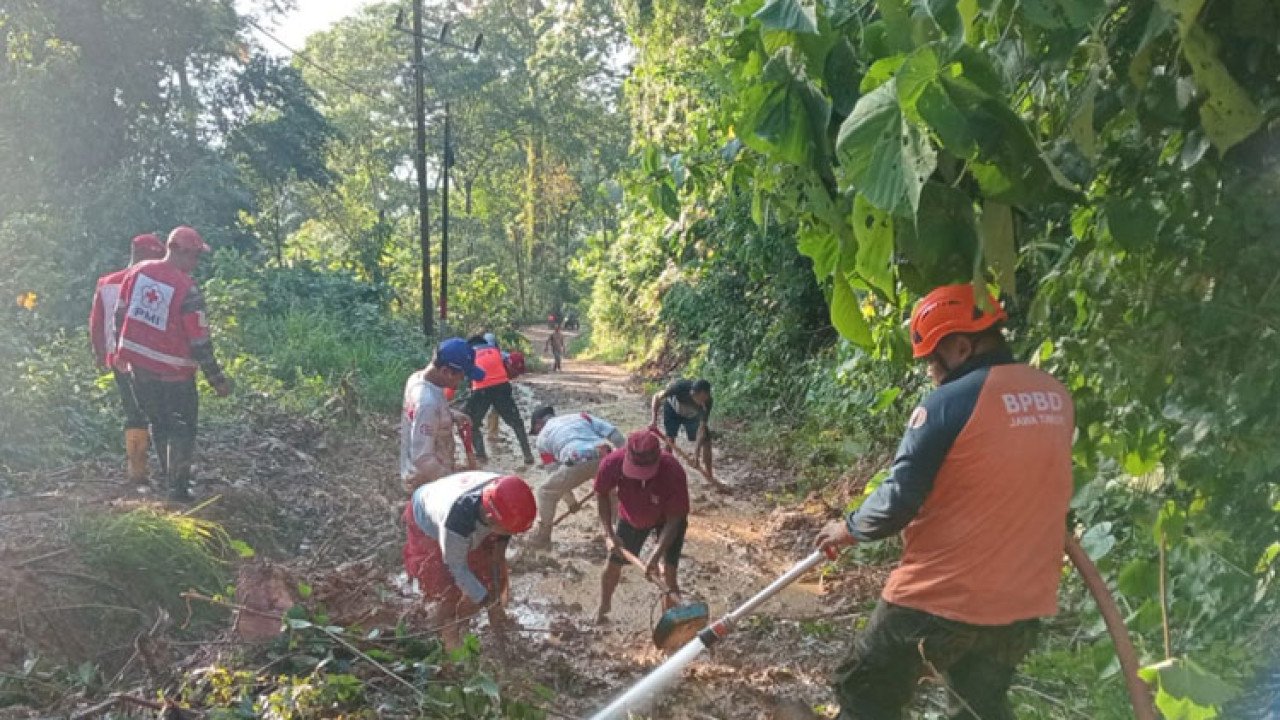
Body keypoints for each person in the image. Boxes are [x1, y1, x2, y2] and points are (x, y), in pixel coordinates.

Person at [812, 284, 1075, 720]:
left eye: (932, 360)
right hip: (1023, 601)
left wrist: (848, 527)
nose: (931, 373)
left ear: (960, 346)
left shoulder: (949, 403)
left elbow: (898, 499)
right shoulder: (1055, 396)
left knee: (863, 691)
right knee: (980, 708)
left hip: (941, 596)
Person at [113, 226, 230, 501]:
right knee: (182, 427)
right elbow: (199, 340)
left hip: (141, 371)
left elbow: (120, 315)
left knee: (159, 423)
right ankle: (178, 488)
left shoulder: (137, 273)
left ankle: (170, 480)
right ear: (184, 253)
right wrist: (217, 379)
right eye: (196, 257)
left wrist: (123, 353)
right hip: (175, 374)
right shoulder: (187, 289)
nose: (196, 263)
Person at [402, 471, 536, 650]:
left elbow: (498, 555)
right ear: (491, 520)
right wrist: (488, 603)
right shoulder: (455, 525)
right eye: (509, 531)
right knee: (446, 588)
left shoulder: (505, 493)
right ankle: (447, 635)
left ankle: (495, 621)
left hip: (463, 511)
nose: (513, 536)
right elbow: (457, 569)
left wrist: (495, 598)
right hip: (426, 517)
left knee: (487, 575)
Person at [89, 233, 167, 482]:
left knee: (133, 413)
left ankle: (138, 471)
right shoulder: (154, 283)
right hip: (151, 360)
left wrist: (100, 354)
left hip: (117, 358)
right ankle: (169, 471)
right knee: (160, 413)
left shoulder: (107, 282)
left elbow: (96, 322)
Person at [593, 430, 689, 623]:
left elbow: (674, 519)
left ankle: (670, 625)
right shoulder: (612, 463)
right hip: (633, 515)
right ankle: (603, 607)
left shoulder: (672, 471)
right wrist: (609, 532)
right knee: (613, 564)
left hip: (667, 518)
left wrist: (655, 554)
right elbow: (601, 494)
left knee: (668, 575)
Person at [525, 406, 626, 549]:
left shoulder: (542, 438)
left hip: (578, 458)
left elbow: (554, 473)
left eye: (535, 430)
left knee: (545, 492)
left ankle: (543, 535)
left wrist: (571, 502)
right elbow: (614, 434)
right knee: (610, 493)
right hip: (606, 456)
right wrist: (625, 456)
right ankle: (615, 532)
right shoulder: (582, 416)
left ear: (539, 423)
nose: (537, 433)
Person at [401, 337, 485, 492]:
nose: (462, 381)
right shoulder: (427, 403)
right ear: (446, 371)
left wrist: (451, 415)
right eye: (462, 376)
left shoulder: (418, 378)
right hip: (426, 481)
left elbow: (419, 417)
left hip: (428, 474)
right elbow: (422, 458)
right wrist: (453, 483)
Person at [465, 336, 536, 466]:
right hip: (502, 386)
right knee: (516, 422)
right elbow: (509, 364)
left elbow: (468, 376)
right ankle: (528, 455)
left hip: (481, 389)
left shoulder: (469, 353)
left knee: (472, 424)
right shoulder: (495, 350)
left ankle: (481, 456)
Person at [650, 378, 714, 479]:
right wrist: (654, 420)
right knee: (670, 439)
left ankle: (709, 475)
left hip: (691, 416)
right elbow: (656, 397)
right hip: (672, 410)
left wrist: (696, 455)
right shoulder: (679, 387)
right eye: (697, 397)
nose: (701, 401)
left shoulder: (708, 402)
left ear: (706, 395)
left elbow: (701, 430)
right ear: (693, 392)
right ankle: (666, 473)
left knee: (706, 440)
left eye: (704, 398)